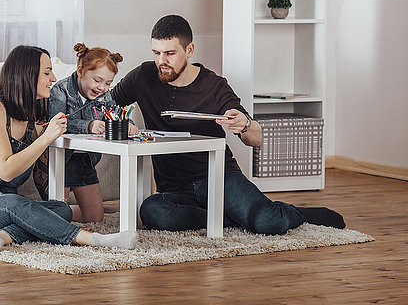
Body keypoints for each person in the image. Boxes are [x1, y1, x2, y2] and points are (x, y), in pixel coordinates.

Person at [110, 15, 345, 234]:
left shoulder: (214, 85)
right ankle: (229, 218)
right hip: (175, 189)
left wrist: (244, 125)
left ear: (189, 50)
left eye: (170, 53)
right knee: (153, 212)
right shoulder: (144, 75)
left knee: (268, 222)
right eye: (156, 53)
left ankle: (291, 213)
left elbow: (255, 138)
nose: (162, 61)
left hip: (220, 177)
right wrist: (125, 120)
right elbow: (107, 103)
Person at [0, 45, 137, 258]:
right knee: (15, 204)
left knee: (61, 210)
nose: (53, 78)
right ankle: (93, 240)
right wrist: (46, 137)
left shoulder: (34, 117)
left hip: (6, 205)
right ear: (26, 74)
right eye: (47, 72)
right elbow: (6, 171)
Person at [49, 43, 138, 223]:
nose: (102, 88)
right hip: (61, 160)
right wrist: (88, 125)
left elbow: (115, 114)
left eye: (108, 83)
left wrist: (128, 124)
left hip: (85, 161)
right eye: (97, 81)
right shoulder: (61, 90)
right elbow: (55, 124)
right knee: (58, 215)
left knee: (95, 219)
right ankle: (46, 213)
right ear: (80, 71)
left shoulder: (104, 96)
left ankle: (52, 212)